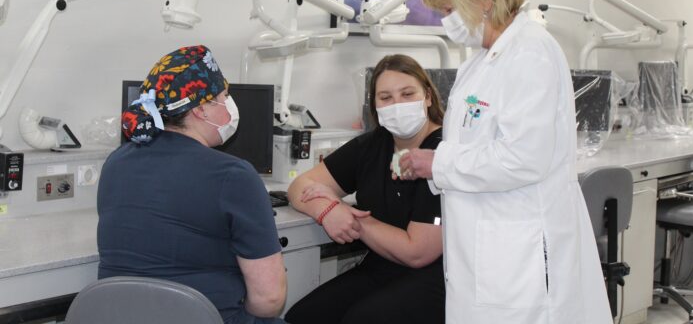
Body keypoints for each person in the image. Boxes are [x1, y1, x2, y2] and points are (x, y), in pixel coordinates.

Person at [396, 0, 613, 323]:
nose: (447, 22)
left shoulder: (530, 52)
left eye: (449, 10)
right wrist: (435, 164)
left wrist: (439, 163)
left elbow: (523, 158)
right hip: (487, 245)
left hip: (520, 247)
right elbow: (475, 145)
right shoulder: (480, 62)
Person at [97, 45, 287, 324]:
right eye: (225, 95)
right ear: (201, 110)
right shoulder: (234, 176)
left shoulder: (115, 163)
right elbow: (269, 301)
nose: (231, 104)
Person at [284, 54, 446, 324]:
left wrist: (350, 216)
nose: (397, 105)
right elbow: (299, 186)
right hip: (382, 266)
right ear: (375, 105)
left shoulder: (444, 154)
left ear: (428, 96)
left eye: (407, 94)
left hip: (435, 276)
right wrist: (329, 211)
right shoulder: (373, 145)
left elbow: (417, 252)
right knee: (302, 317)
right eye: (386, 97)